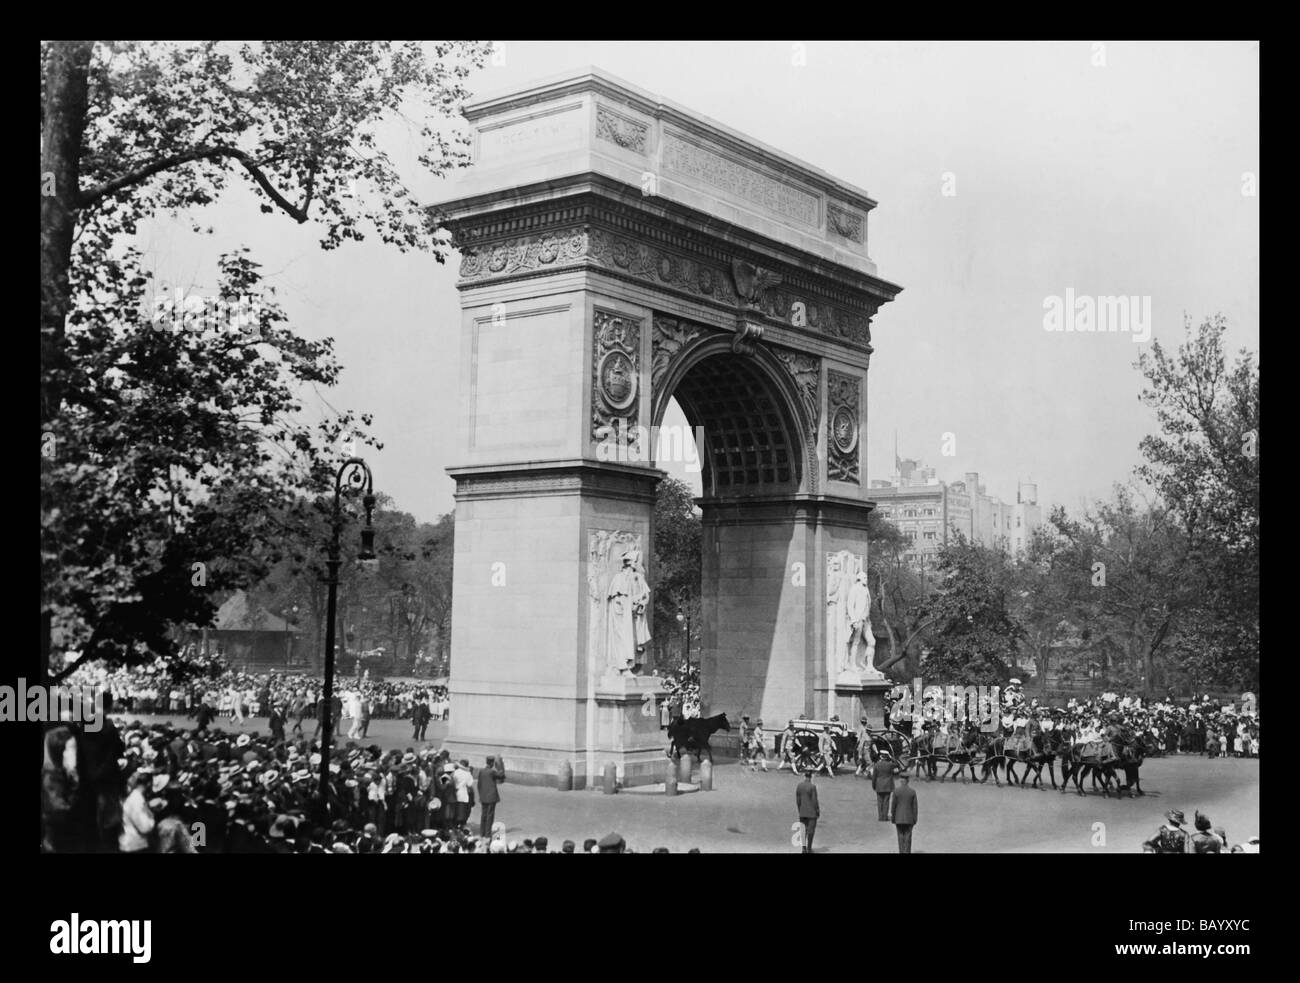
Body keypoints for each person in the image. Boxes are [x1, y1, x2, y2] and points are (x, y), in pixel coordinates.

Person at [119, 771, 156, 853]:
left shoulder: (135, 798)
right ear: (149, 784)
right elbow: (145, 828)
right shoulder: (136, 801)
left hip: (131, 845)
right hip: (135, 847)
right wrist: (152, 817)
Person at [476, 754, 506, 838]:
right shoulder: (492, 772)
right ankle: (488, 833)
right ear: (492, 763)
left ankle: (482, 832)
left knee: (483, 815)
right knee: (490, 815)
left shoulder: (481, 771)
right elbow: (501, 776)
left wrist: (481, 795)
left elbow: (479, 784)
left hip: (483, 796)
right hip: (491, 797)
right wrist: (501, 765)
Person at [889, 772, 918, 854]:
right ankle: (907, 851)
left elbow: (893, 806)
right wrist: (915, 819)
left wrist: (893, 817)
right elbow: (915, 807)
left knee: (900, 837)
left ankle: (901, 851)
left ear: (901, 780)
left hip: (898, 818)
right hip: (909, 818)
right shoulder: (912, 792)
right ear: (908, 780)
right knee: (908, 837)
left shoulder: (896, 791)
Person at [868, 751, 900, 822]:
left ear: (880, 757)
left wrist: (873, 785)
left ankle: (880, 816)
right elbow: (897, 764)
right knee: (886, 801)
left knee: (879, 802)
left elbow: (874, 777)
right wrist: (891, 757)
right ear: (887, 757)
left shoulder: (876, 765)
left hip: (879, 785)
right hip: (888, 785)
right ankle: (885, 816)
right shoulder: (890, 764)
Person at [795, 769, 819, 854]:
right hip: (812, 813)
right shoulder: (812, 787)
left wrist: (800, 810)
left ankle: (803, 848)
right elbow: (814, 801)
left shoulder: (799, 786)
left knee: (803, 831)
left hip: (802, 812)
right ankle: (809, 848)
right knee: (811, 831)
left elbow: (798, 800)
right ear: (811, 777)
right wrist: (817, 810)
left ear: (804, 776)